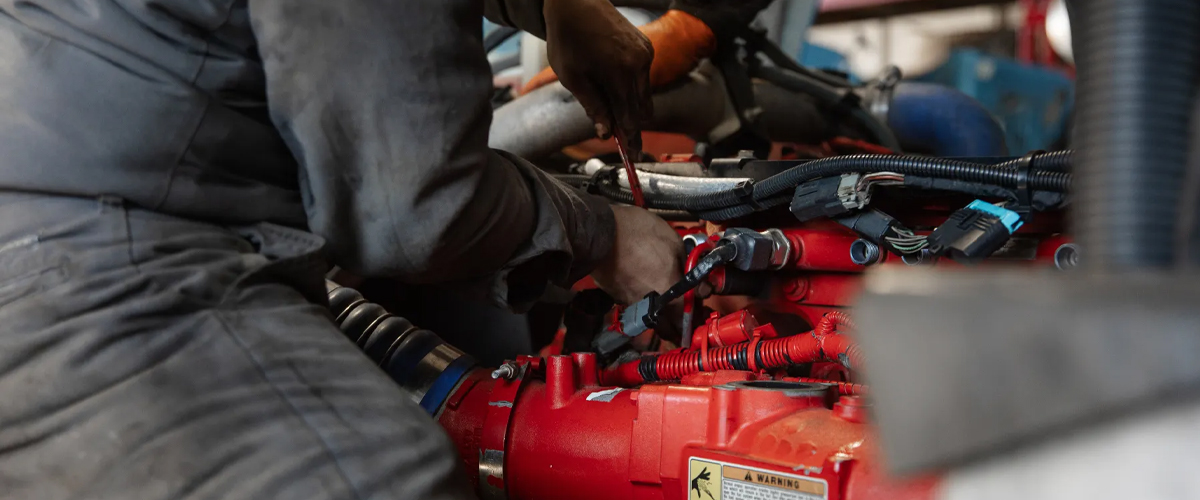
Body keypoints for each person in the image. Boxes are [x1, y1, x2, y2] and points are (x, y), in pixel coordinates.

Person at [0, 0, 683, 498]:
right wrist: (600, 233)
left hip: (75, 202)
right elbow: (412, 208)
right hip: (95, 252)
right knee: (388, 481)